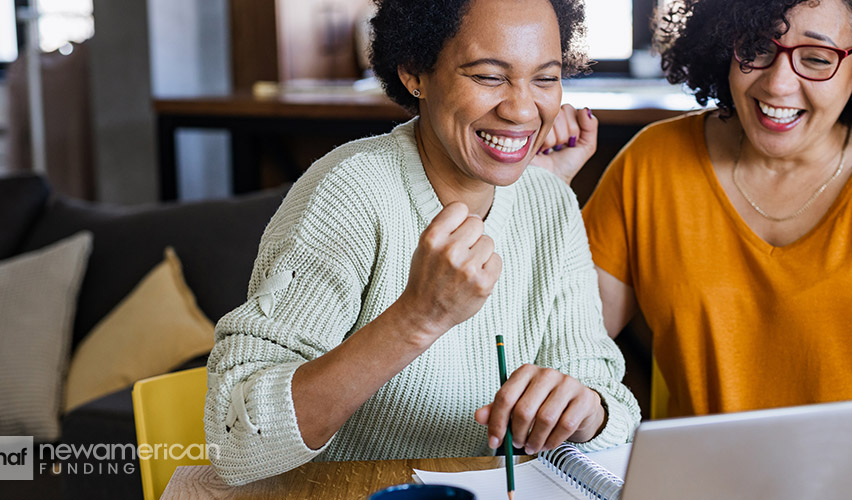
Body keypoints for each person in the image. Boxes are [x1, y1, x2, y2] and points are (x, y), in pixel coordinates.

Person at [541, 0, 852, 418]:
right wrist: (539, 197)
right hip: (700, 484)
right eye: (758, 48)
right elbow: (565, 334)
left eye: (816, 58)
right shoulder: (654, 164)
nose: (778, 85)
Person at [204, 0, 639, 485]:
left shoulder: (551, 203)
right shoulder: (348, 192)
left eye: (545, 78)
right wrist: (418, 317)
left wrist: (585, 411)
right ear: (415, 73)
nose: (522, 109)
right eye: (488, 77)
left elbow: (613, 405)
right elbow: (236, 441)